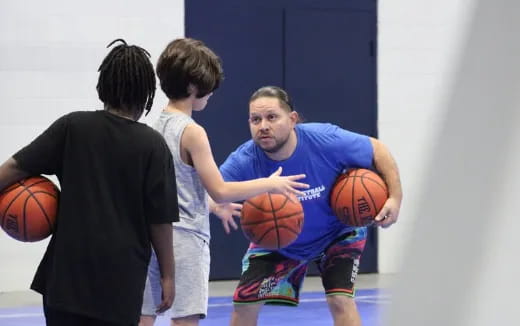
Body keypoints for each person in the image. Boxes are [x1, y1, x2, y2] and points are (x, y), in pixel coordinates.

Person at [0, 39, 179, 326]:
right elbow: (160, 221)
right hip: (120, 285)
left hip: (64, 283)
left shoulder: (72, 127)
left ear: (103, 85)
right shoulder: (153, 146)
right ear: (147, 92)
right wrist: (169, 275)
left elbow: (11, 169)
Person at [139, 38, 309, 326]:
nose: (211, 94)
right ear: (194, 86)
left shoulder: (153, 127)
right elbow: (220, 189)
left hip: (151, 236)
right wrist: (269, 184)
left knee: (143, 317)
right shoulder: (192, 132)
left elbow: (173, 188)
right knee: (185, 320)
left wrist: (213, 207)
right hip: (186, 241)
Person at [220, 86, 403, 326]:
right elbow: (213, 188)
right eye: (256, 119)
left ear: (292, 119)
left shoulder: (325, 139)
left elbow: (377, 149)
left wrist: (395, 198)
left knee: (340, 299)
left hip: (338, 232)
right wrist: (217, 203)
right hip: (279, 241)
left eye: (272, 117)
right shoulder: (245, 158)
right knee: (245, 303)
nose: (263, 125)